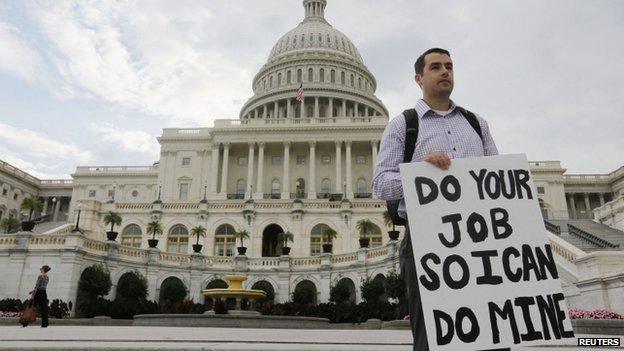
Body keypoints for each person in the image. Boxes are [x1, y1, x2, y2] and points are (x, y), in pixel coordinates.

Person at [372, 48, 507, 351]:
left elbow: (496, 180)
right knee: (434, 334)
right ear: (419, 78)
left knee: (495, 331)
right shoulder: (403, 125)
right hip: (426, 239)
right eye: (435, 67)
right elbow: (380, 185)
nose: (445, 71)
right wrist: (419, 173)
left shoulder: (476, 123)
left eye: (449, 66)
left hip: (480, 237)